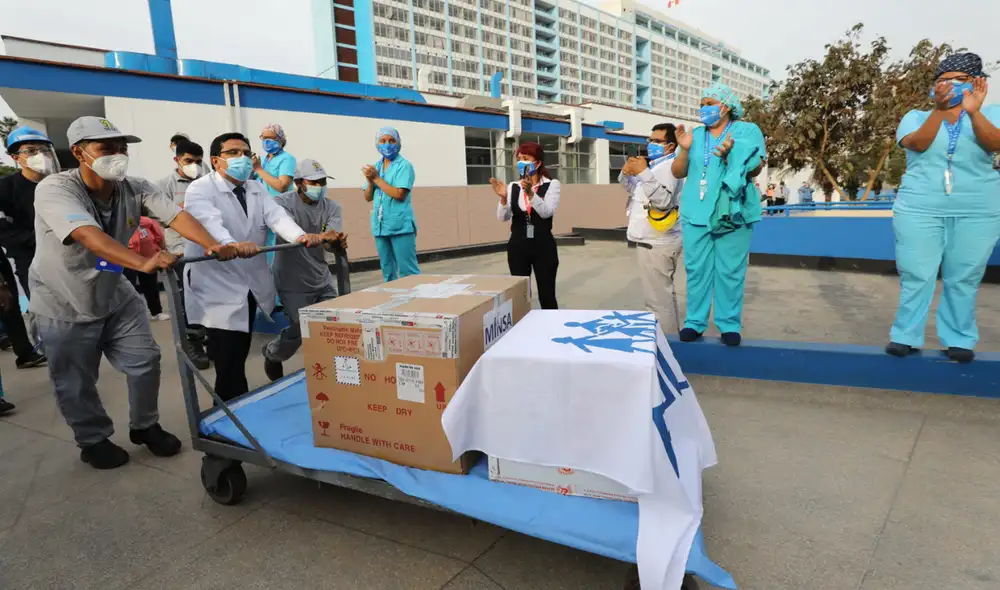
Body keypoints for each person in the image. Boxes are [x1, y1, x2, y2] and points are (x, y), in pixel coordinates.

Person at [32, 116, 237, 469]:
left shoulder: (134, 187)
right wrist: (142, 262)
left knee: (145, 360)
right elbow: (87, 235)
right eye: (106, 148)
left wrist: (214, 245)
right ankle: (93, 439)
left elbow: (175, 216)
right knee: (75, 380)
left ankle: (145, 425)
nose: (117, 155)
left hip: (113, 288)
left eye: (122, 147)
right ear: (79, 153)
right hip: (62, 297)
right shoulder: (56, 189)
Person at [183, 132, 323, 402]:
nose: (243, 158)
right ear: (216, 161)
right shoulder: (200, 189)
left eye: (246, 153)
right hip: (217, 284)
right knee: (227, 358)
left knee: (240, 351)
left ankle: (236, 406)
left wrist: (300, 236)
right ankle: (227, 412)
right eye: (234, 153)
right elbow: (208, 222)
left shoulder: (256, 188)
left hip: (247, 282)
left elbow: (276, 216)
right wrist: (230, 244)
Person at [886, 53, 1000, 364]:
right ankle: (905, 335)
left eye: (960, 80)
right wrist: (938, 111)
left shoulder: (992, 113)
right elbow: (918, 144)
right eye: (943, 80)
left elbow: (995, 144)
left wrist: (973, 113)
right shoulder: (915, 116)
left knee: (964, 276)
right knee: (917, 273)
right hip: (920, 207)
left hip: (977, 209)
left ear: (977, 83)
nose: (950, 85)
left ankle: (959, 338)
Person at [672, 82, 765, 347]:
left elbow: (756, 167)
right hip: (696, 210)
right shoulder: (695, 134)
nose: (704, 109)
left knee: (730, 270)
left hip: (733, 211)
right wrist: (684, 148)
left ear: (726, 106)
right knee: (696, 269)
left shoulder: (747, 130)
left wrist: (731, 157)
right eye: (701, 104)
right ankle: (694, 322)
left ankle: (729, 324)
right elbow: (678, 172)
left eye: (710, 104)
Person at [263, 158, 347, 381]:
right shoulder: (281, 203)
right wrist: (316, 237)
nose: (319, 187)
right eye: (314, 182)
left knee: (331, 325)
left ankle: (328, 375)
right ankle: (273, 353)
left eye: (322, 182)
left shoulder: (332, 207)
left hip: (320, 277)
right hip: (291, 280)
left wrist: (334, 243)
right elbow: (288, 230)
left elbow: (330, 240)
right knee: (301, 326)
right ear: (299, 183)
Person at [619, 124, 684, 334]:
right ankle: (670, 339)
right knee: (661, 297)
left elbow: (663, 201)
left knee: (658, 301)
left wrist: (643, 173)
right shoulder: (655, 166)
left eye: (657, 141)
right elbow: (634, 189)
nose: (650, 144)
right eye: (650, 140)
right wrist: (627, 173)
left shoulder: (669, 167)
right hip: (650, 240)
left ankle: (667, 343)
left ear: (671, 146)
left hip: (658, 241)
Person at [156, 139, 210, 369]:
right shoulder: (164, 185)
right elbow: (161, 217)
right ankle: (193, 342)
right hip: (181, 251)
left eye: (198, 161)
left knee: (211, 295)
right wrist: (181, 216)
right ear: (177, 160)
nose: (194, 166)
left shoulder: (208, 181)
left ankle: (211, 338)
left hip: (208, 247)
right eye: (188, 161)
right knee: (190, 298)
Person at [489, 141, 561, 309]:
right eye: (519, 159)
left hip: (543, 246)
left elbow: (546, 212)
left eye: (526, 158)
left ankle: (551, 322)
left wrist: (530, 194)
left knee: (547, 294)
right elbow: (503, 217)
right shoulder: (513, 187)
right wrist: (503, 198)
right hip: (518, 246)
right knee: (520, 295)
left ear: (538, 162)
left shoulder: (552, 184)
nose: (521, 162)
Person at [363, 126, 419, 282]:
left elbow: (399, 194)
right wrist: (370, 181)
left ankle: (415, 297)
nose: (387, 144)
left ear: (398, 143)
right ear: (377, 144)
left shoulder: (404, 166)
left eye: (391, 140)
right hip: (381, 226)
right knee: (388, 272)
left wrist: (376, 178)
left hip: (400, 225)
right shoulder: (376, 167)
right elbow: (367, 197)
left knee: (408, 271)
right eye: (382, 141)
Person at [125, 216, 169, 321]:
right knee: (127, 288)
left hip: (148, 258)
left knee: (151, 287)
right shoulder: (118, 219)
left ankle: (156, 312)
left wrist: (163, 251)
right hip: (128, 259)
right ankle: (130, 316)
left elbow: (159, 237)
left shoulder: (147, 221)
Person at [252, 123, 296, 198]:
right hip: (261, 202)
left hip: (280, 203)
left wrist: (258, 169)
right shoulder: (262, 159)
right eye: (264, 138)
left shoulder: (287, 158)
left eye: (271, 138)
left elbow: (282, 187)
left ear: (280, 139)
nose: (266, 141)